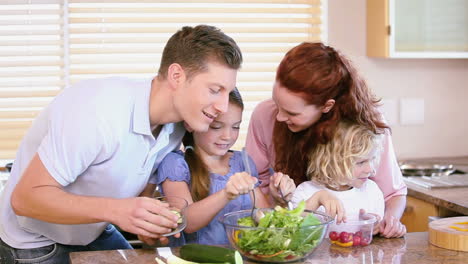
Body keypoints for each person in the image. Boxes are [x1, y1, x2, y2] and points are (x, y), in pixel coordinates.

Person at [0, 25, 243, 263]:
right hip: (35, 241)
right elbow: (24, 199)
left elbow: (135, 195)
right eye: (215, 90)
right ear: (177, 76)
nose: (222, 106)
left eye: (227, 92)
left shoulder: (176, 127)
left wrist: (148, 226)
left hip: (91, 231)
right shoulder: (96, 112)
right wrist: (118, 211)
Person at [246, 42, 407, 238]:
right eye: (277, 102)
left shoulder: (368, 124)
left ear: (326, 106)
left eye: (291, 112)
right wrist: (276, 197)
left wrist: (388, 220)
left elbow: (393, 193)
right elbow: (255, 184)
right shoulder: (265, 115)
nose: (279, 116)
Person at [155, 88, 271, 245]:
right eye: (216, 127)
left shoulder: (242, 161)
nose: (227, 136)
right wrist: (226, 194)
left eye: (235, 127)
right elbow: (187, 223)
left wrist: (278, 198)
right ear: (190, 123)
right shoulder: (176, 164)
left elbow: (265, 217)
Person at [292, 122, 405, 237]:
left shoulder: (372, 191)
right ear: (330, 162)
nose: (371, 169)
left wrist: (376, 228)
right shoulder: (306, 192)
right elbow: (291, 230)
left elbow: (375, 236)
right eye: (360, 162)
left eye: (372, 159)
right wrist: (317, 199)